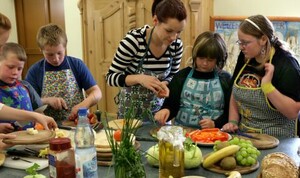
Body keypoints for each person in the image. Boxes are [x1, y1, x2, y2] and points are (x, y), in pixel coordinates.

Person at [106, 0, 187, 120]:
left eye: (178, 32)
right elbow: (111, 78)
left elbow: (173, 76)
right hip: (130, 116)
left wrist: (163, 85)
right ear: (155, 21)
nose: (173, 37)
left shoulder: (176, 46)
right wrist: (139, 78)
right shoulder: (134, 42)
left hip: (158, 114)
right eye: (169, 31)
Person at [222, 15, 300, 138]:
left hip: (278, 140)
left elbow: (293, 112)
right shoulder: (245, 57)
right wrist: (233, 121)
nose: (241, 47)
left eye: (246, 43)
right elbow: (235, 92)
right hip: (245, 135)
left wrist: (268, 87)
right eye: (240, 42)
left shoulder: (287, 65)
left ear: (263, 39)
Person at [25, 24, 102, 122]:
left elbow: (97, 92)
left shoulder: (77, 64)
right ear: (41, 50)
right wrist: (47, 101)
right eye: (50, 54)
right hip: (49, 125)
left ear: (65, 47)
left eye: (59, 53)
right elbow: (28, 102)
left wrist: (83, 105)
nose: (56, 59)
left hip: (78, 123)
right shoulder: (35, 71)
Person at [154, 31, 231, 129]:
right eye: (201, 58)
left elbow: (231, 113)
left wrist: (216, 123)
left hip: (214, 135)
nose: (204, 63)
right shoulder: (181, 76)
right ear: (195, 54)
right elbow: (171, 105)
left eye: (210, 60)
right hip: (183, 133)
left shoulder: (225, 79)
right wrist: (166, 111)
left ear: (218, 59)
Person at [0, 42, 45, 131]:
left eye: (19, 69)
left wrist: (39, 122)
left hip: (30, 139)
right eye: (10, 67)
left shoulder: (26, 86)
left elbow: (39, 111)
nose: (15, 72)